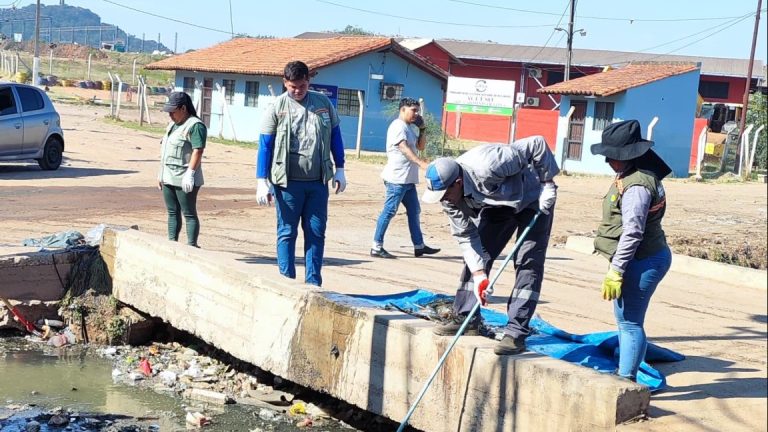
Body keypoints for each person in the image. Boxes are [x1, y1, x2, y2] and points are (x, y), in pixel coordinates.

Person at [423, 137, 559, 355]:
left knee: (527, 262)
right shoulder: (450, 201)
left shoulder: (490, 163)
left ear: (457, 183)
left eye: (446, 194)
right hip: (499, 203)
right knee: (480, 255)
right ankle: (468, 318)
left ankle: (516, 333)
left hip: (534, 197)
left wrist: (547, 183)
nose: (444, 200)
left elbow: (538, 144)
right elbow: (466, 237)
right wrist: (479, 274)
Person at [590, 119, 673, 382]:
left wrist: (616, 271)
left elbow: (633, 231)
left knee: (629, 323)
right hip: (644, 257)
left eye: (611, 156)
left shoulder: (637, 185)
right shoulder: (636, 173)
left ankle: (625, 381)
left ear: (628, 155)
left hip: (643, 259)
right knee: (627, 320)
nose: (607, 161)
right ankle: (627, 373)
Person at [255, 61, 346, 287]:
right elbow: (265, 145)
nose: (298, 90)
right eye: (292, 86)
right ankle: (286, 283)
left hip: (317, 182)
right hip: (287, 184)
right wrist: (261, 180)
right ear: (285, 83)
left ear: (309, 81)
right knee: (287, 232)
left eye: (302, 86)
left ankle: (313, 283)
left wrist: (341, 168)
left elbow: (335, 136)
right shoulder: (277, 108)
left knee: (316, 233)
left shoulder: (323, 104)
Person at [371, 97, 440, 259]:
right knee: (389, 211)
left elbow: (420, 146)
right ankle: (376, 246)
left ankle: (419, 246)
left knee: (414, 211)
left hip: (407, 180)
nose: (416, 113)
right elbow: (403, 148)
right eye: (413, 110)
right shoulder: (398, 126)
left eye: (417, 110)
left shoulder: (409, 127)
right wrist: (421, 163)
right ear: (403, 110)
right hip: (397, 179)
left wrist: (422, 129)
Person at [158, 91, 206, 248]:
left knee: (189, 213)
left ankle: (192, 245)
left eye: (173, 111)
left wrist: (190, 174)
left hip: (184, 177)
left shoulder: (195, 126)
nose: (170, 115)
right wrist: (161, 174)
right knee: (172, 212)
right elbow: (166, 151)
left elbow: (198, 150)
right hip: (168, 176)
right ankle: (172, 244)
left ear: (183, 108)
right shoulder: (172, 125)